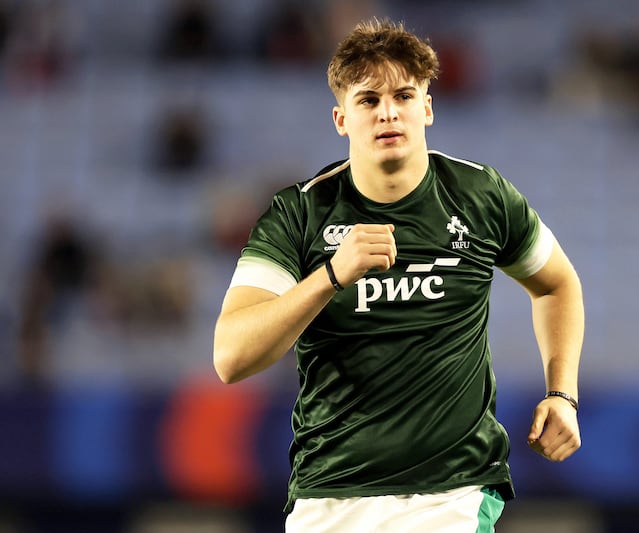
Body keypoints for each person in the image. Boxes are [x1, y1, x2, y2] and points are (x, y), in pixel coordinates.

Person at [213, 18, 584, 532]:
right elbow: (231, 358)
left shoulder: (481, 196)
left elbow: (557, 284)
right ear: (341, 119)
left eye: (403, 96)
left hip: (452, 492)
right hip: (329, 492)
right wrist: (330, 276)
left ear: (426, 108)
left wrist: (562, 394)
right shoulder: (298, 214)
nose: (388, 112)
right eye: (368, 100)